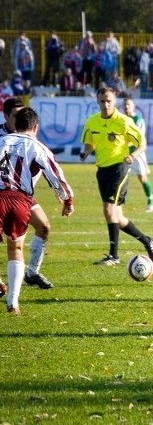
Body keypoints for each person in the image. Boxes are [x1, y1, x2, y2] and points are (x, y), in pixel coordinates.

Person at [0, 107, 74, 315]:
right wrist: (67, 200)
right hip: (19, 200)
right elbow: (55, 173)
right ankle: (12, 302)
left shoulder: (1, 140)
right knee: (15, 248)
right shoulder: (36, 146)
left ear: (16, 124)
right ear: (35, 127)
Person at [80, 87, 153, 266]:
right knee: (118, 217)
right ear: (97, 102)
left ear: (114, 102)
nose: (106, 105)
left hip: (120, 168)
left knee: (108, 209)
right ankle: (147, 241)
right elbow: (89, 143)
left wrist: (133, 156)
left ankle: (114, 256)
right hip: (102, 170)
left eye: (109, 101)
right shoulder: (92, 122)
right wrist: (85, 152)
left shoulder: (123, 121)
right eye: (102, 101)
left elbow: (142, 143)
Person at [0, 98, 59, 291]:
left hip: (22, 195)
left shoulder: (28, 137)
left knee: (44, 227)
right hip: (3, 194)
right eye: (16, 115)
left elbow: (43, 162)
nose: (20, 119)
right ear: (6, 116)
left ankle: (32, 273)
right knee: (11, 242)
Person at [123, 98, 153, 212]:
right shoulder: (122, 119)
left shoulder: (138, 120)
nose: (126, 107)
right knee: (120, 176)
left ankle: (151, 201)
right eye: (125, 104)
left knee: (142, 177)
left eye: (128, 104)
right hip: (123, 153)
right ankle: (120, 200)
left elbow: (139, 138)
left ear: (133, 106)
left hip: (137, 153)